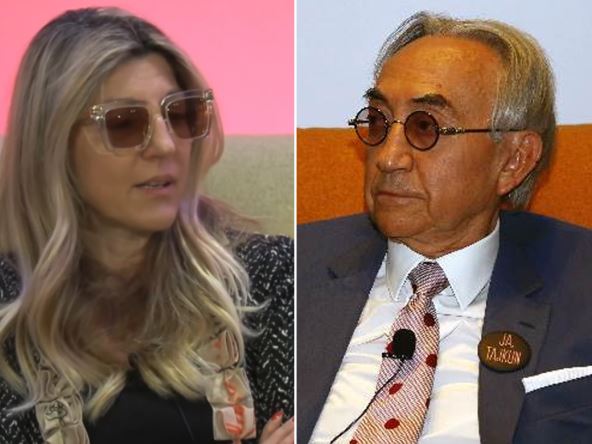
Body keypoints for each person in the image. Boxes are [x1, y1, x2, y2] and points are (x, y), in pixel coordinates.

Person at [0, 8, 293, 444]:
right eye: (124, 123)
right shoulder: (9, 307)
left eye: (181, 114)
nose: (165, 144)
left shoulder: (272, 274)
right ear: (54, 144)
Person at [298, 11, 592, 444]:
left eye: (425, 127)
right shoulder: (293, 265)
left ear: (513, 160)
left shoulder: (579, 281)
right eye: (378, 121)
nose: (388, 158)